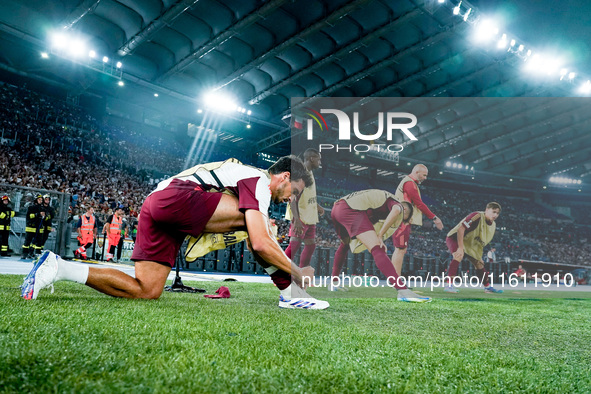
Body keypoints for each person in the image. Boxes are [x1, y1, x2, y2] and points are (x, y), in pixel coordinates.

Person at [22, 156, 330, 310]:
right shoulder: (259, 180)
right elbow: (261, 243)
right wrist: (297, 271)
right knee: (258, 227)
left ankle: (58, 267)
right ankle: (290, 293)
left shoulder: (248, 180)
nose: (290, 198)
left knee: (146, 289)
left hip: (157, 205)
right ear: (285, 176)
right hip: (176, 198)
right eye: (293, 192)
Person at [330, 189, 431, 302]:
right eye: (403, 220)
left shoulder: (379, 204)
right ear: (405, 209)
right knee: (377, 248)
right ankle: (402, 290)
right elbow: (396, 210)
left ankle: (334, 283)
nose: (399, 223)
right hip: (350, 210)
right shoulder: (398, 204)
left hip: (336, 208)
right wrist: (380, 236)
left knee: (345, 245)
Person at [392, 164, 443, 276]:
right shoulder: (409, 183)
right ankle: (395, 279)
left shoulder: (410, 182)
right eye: (424, 175)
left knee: (402, 249)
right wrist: (434, 218)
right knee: (400, 249)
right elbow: (419, 204)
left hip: (403, 219)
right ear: (416, 172)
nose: (425, 178)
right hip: (402, 220)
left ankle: (395, 278)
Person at [444, 202, 504, 294]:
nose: (495, 215)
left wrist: (478, 256)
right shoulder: (477, 216)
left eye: (497, 213)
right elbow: (461, 229)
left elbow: (481, 240)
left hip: (470, 243)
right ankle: (449, 285)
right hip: (455, 238)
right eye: (493, 212)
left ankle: (487, 287)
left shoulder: (493, 225)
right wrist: (460, 248)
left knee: (479, 264)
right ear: (487, 210)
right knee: (458, 255)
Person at [285, 149, 324, 268]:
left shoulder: (309, 172)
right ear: (311, 158)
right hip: (300, 216)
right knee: (295, 245)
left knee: (311, 245)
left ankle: (302, 274)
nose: (320, 162)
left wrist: (316, 206)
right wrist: (296, 219)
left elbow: (306, 194)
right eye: (318, 159)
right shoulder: (300, 173)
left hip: (309, 216)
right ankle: (280, 273)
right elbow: (292, 197)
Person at [21, 194, 46, 259]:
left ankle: (34, 253)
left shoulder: (43, 208)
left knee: (37, 243)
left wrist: (45, 216)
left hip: (39, 227)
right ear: (36, 200)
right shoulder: (31, 207)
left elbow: (45, 218)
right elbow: (30, 216)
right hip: (31, 227)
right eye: (39, 200)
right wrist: (38, 214)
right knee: (27, 242)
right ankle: (24, 253)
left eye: (41, 200)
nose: (40, 201)